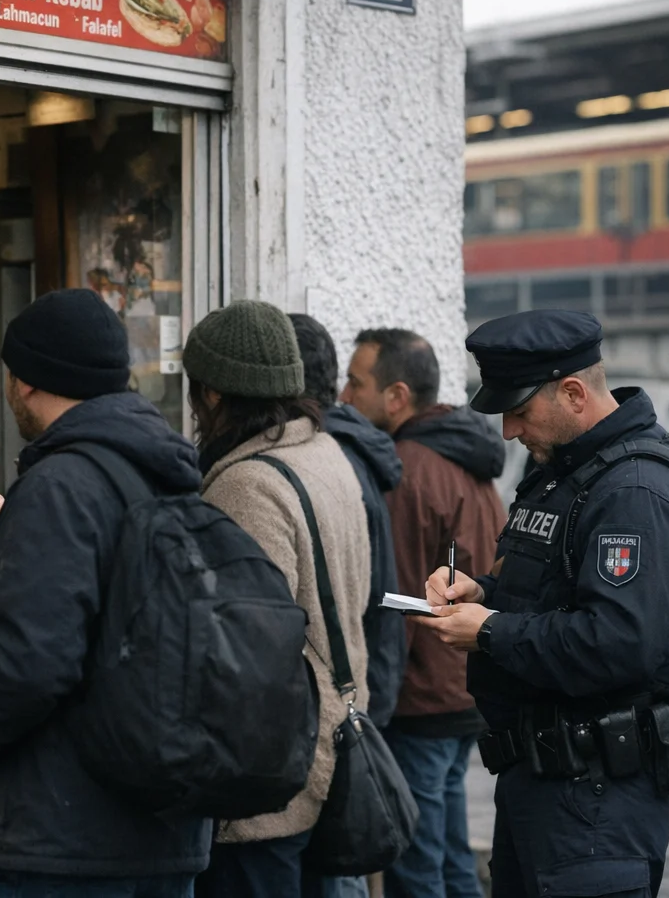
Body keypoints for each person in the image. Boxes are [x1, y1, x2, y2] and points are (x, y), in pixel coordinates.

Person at [0, 288, 211, 898]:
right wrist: (13, 538)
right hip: (165, 834)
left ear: (26, 381)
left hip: (63, 845)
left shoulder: (58, 485)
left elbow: (28, 660)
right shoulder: (163, 473)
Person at [420, 309, 669, 898]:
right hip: (541, 784)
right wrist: (482, 593)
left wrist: (489, 630)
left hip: (596, 804)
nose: (508, 431)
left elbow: (619, 644)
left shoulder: (635, 491)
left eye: (519, 412)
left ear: (573, 393)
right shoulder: (563, 471)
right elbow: (553, 588)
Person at [184, 300, 372, 898]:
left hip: (267, 775)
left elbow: (246, 652)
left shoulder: (247, 483)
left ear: (212, 393)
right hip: (328, 738)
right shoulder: (321, 452)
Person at [340, 328, 504, 898]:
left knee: (417, 869)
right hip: (464, 688)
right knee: (453, 859)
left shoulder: (406, 469)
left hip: (422, 700)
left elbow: (398, 598)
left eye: (355, 382)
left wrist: (374, 704)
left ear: (397, 396)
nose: (343, 396)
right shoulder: (469, 457)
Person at [289, 314, 405, 730]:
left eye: (356, 382)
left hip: (347, 705)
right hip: (366, 691)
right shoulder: (348, 452)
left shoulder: (325, 460)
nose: (346, 393)